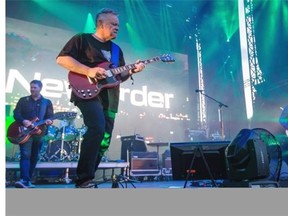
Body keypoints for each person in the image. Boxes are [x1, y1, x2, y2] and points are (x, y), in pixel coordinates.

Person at [56, 8, 145, 188]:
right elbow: (62, 59)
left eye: (118, 25)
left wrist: (132, 70)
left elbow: (118, 76)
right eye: (113, 24)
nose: (117, 28)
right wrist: (89, 70)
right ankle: (83, 179)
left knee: (104, 139)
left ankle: (87, 178)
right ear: (100, 24)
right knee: (96, 127)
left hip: (110, 99)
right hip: (86, 92)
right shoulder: (82, 39)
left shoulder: (116, 50)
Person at [13, 80, 54, 188]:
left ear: (40, 88)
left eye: (34, 87)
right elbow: (16, 113)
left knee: (34, 157)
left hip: (39, 133)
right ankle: (24, 179)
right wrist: (24, 121)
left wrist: (49, 121)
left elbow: (50, 117)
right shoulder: (23, 100)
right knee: (25, 154)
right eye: (31, 87)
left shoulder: (47, 102)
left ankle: (28, 180)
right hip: (25, 132)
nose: (32, 89)